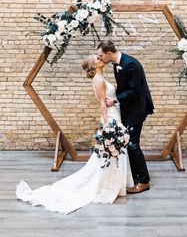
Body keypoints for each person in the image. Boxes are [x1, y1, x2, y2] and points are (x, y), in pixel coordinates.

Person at [16, 55, 134, 214]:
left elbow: (108, 98)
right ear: (93, 65)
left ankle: (115, 183)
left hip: (115, 113)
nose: (100, 58)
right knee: (111, 151)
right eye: (97, 58)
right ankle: (108, 185)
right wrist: (106, 124)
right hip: (110, 117)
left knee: (113, 151)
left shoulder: (100, 77)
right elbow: (101, 103)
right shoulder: (98, 80)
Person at [97, 40, 154, 194]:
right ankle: (136, 176)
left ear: (109, 53)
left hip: (137, 109)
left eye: (101, 55)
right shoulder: (117, 64)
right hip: (128, 109)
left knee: (133, 144)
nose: (100, 58)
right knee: (130, 143)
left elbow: (135, 91)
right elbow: (124, 88)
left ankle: (143, 181)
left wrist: (115, 100)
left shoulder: (131, 64)